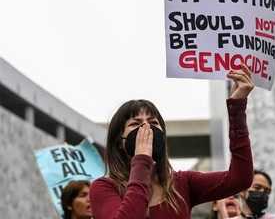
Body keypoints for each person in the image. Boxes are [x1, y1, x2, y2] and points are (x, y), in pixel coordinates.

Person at [89, 63, 255, 219]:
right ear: (119, 141)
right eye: (135, 124)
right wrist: (141, 161)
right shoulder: (104, 188)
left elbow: (240, 178)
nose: (147, 128)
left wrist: (237, 108)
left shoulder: (182, 183)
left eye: (154, 123)